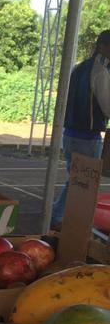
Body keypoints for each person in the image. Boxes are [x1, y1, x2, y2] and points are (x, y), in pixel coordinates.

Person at [51, 29, 110, 228]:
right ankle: (60, 217)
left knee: (75, 179)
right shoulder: (100, 71)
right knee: (83, 182)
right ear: (102, 47)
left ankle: (60, 216)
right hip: (88, 136)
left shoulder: (78, 68)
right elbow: (108, 107)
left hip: (69, 134)